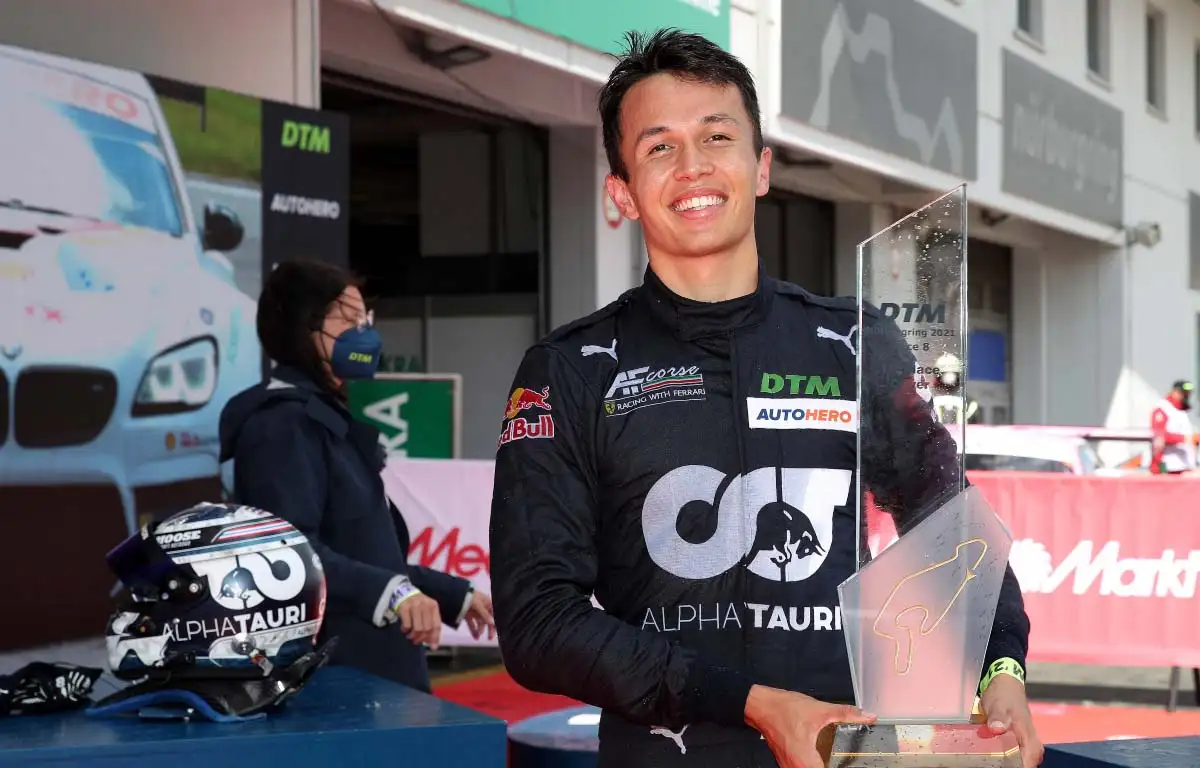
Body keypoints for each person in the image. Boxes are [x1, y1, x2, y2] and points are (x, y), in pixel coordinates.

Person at [489, 29, 1040, 768]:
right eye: (659, 147)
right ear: (619, 192)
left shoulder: (853, 343)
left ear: (761, 167)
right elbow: (536, 622)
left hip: (853, 754)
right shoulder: (569, 369)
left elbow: (950, 522)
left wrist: (1001, 668)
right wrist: (749, 702)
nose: (693, 166)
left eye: (717, 136)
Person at [219, 260, 495, 692]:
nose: (364, 332)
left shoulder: (326, 419)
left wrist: (449, 594)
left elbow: (366, 557)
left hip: (375, 677)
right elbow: (291, 556)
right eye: (347, 318)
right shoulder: (282, 425)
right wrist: (394, 594)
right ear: (303, 328)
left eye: (365, 319)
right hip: (339, 682)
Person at [1150, 380, 1196, 475]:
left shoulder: (1181, 410)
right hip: (1167, 465)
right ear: (1175, 392)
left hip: (1183, 464)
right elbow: (1159, 436)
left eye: (1188, 393)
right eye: (1183, 393)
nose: (1186, 396)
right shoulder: (1163, 408)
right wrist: (1185, 438)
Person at [930, 352, 981, 425]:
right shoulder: (928, 400)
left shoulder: (970, 403)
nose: (949, 376)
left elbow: (975, 428)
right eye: (945, 373)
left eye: (952, 373)